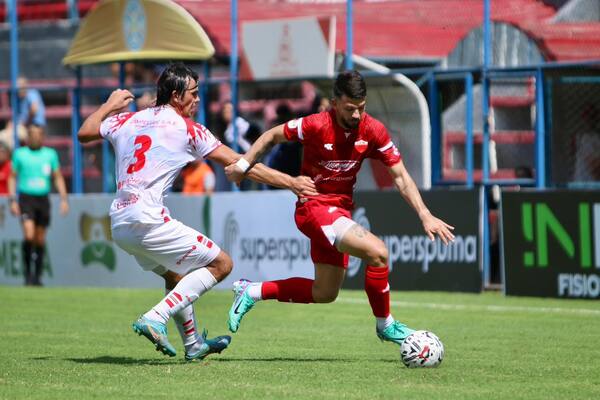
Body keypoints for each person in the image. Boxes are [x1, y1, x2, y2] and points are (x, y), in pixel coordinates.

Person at [77, 63, 317, 361]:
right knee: (222, 264)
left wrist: (109, 105)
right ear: (176, 96)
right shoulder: (187, 129)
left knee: (176, 276)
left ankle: (193, 345)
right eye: (193, 93)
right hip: (148, 218)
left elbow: (85, 132)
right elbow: (239, 163)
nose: (198, 100)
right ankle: (155, 317)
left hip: (120, 223)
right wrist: (291, 181)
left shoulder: (128, 120)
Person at [224, 70, 455, 348]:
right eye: (350, 108)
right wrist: (243, 164)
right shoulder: (315, 125)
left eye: (361, 108)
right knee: (378, 252)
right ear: (335, 103)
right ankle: (386, 325)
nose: (357, 115)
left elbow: (401, 177)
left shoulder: (373, 130)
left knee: (324, 292)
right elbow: (272, 136)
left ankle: (251, 290)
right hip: (314, 207)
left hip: (340, 211)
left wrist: (425, 214)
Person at [8, 124, 69, 286]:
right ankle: (27, 274)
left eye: (38, 134)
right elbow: (12, 177)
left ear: (42, 136)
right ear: (28, 136)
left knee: (40, 239)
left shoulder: (50, 154)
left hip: (43, 199)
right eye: (32, 134)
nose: (35, 137)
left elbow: (57, 176)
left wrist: (64, 199)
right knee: (28, 235)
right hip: (26, 198)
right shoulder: (20, 154)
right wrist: (13, 200)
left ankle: (38, 276)